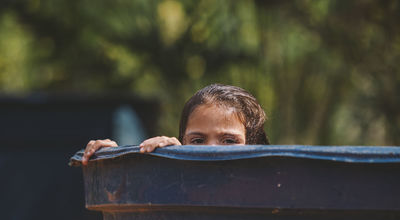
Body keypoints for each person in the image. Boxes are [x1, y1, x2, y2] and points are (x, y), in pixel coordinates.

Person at [82, 84, 269, 165]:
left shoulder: (269, 190)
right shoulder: (168, 183)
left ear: (253, 146)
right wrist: (114, 161)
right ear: (182, 142)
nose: (211, 150)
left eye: (229, 141)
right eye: (197, 141)